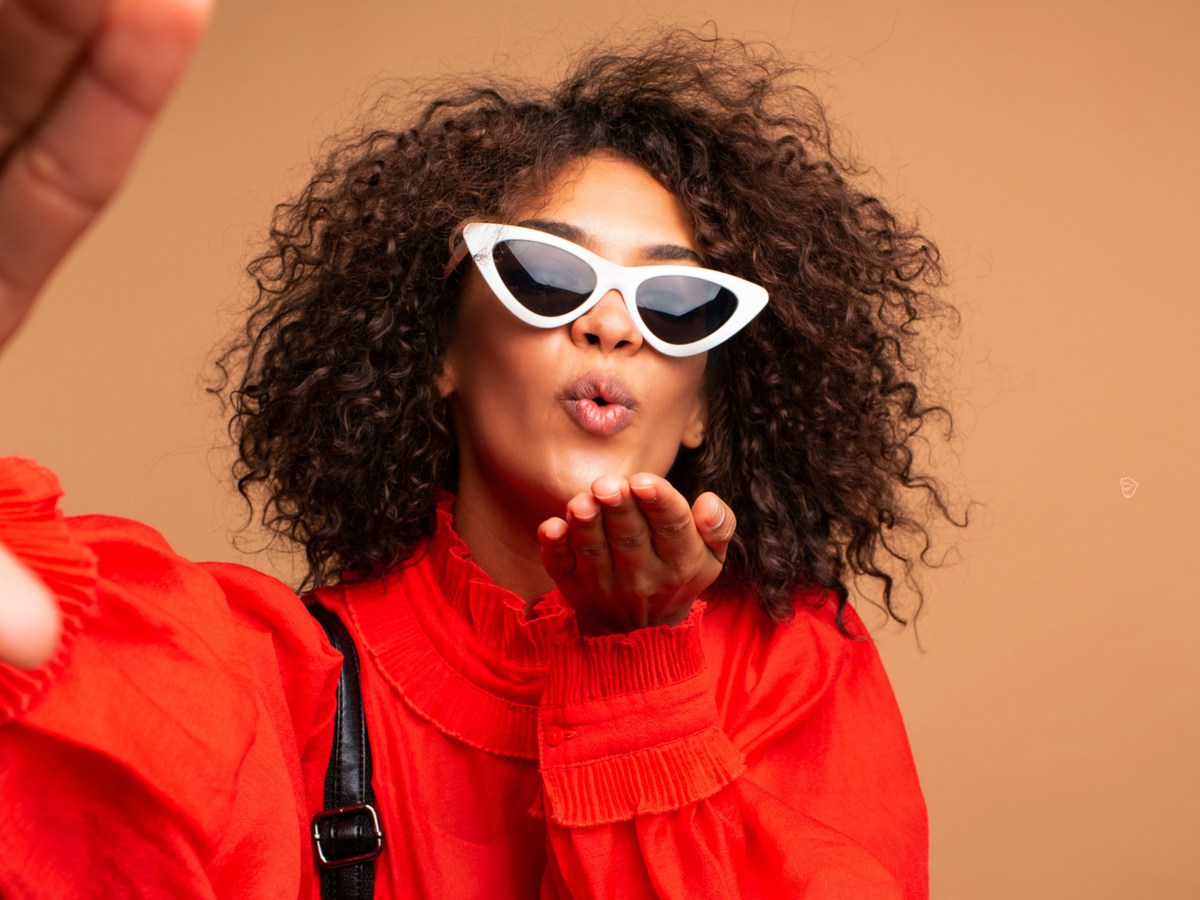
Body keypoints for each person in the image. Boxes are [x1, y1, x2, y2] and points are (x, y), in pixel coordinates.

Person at [0, 1, 966, 897]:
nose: (614, 327)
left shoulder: (796, 669)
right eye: (546, 274)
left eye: (678, 305)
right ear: (438, 358)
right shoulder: (281, 680)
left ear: (704, 407)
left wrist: (635, 666)